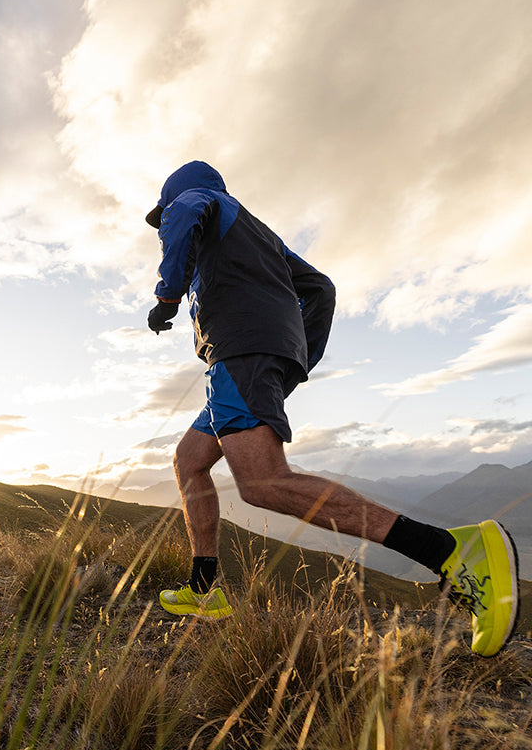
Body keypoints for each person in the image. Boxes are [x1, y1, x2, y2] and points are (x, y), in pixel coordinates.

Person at [146, 161, 519, 657]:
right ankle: (203, 591)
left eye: (164, 215)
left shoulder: (203, 204)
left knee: (262, 483)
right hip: (247, 361)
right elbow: (320, 287)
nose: (165, 223)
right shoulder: (260, 237)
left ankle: (448, 551)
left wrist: (168, 296)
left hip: (241, 354)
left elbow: (189, 209)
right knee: (189, 460)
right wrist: (300, 358)